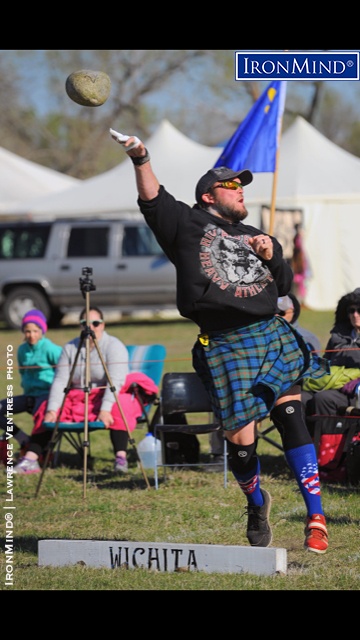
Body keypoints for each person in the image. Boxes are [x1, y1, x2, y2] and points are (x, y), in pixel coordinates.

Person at [110, 128, 330, 554]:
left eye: (241, 185)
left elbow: (284, 288)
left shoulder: (257, 234)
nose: (240, 191)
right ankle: (255, 502)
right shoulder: (187, 226)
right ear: (209, 195)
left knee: (291, 416)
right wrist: (140, 156)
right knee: (241, 441)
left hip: (269, 335)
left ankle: (316, 516)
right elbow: (153, 200)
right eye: (230, 185)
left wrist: (273, 254)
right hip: (225, 345)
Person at [13, 306, 157, 475]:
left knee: (121, 405)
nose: (91, 328)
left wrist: (104, 409)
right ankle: (31, 459)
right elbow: (60, 380)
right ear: (80, 325)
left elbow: (116, 381)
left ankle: (120, 458)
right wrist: (52, 409)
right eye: (85, 323)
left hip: (108, 395)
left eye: (95, 323)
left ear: (102, 325)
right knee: (46, 407)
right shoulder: (70, 348)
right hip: (77, 397)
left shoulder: (114, 346)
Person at [0, 309, 62, 463]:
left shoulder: (51, 349)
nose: (31, 335)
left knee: (41, 418)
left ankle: (40, 452)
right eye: (27, 331)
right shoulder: (22, 350)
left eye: (35, 331)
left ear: (42, 330)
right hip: (29, 395)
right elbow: (23, 373)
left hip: (46, 396)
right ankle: (22, 439)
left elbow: (64, 372)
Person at [302, 288, 360, 433]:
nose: (355, 314)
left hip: (353, 390)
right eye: (351, 310)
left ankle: (328, 451)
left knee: (324, 398)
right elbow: (325, 363)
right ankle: (304, 449)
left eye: (359, 310)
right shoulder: (338, 335)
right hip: (330, 383)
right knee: (300, 398)